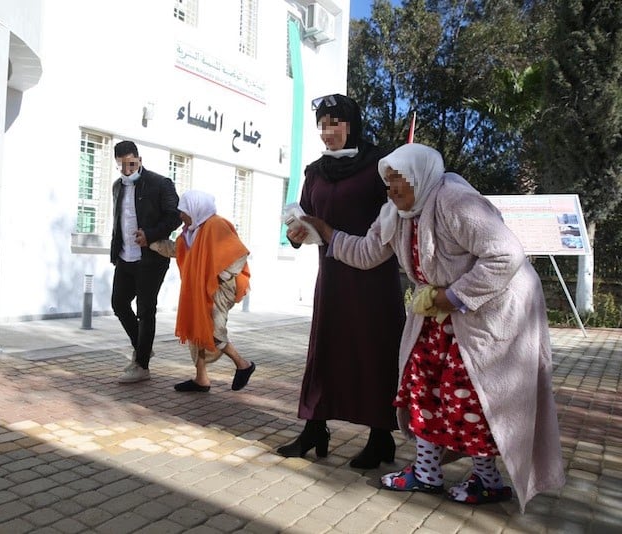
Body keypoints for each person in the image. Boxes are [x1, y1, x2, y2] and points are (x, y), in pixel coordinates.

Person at [300, 142, 565, 511]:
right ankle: (427, 472)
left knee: (468, 392)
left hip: (489, 309)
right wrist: (326, 231)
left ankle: (488, 480)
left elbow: (506, 254)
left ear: (420, 177)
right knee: (420, 382)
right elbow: (367, 252)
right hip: (442, 310)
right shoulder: (396, 214)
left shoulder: (454, 201)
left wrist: (454, 296)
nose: (392, 190)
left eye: (399, 181)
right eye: (388, 182)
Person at [277, 94, 406, 468]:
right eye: (322, 124)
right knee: (325, 350)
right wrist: (295, 234)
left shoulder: (379, 166)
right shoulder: (316, 172)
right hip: (332, 277)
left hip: (373, 278)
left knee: (374, 351)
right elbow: (306, 216)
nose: (326, 131)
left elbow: (397, 214)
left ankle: (381, 437)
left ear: (352, 124)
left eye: (334, 123)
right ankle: (314, 428)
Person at [150, 190, 256, 392]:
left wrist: (218, 275)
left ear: (195, 209)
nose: (181, 215)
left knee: (213, 331)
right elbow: (176, 249)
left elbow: (239, 254)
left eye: (183, 211)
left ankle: (243, 365)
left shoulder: (216, 225)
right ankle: (201, 379)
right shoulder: (190, 232)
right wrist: (150, 242)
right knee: (195, 327)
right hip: (198, 290)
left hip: (219, 289)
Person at [110, 140, 181, 383]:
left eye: (130, 164)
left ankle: (142, 366)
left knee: (145, 310)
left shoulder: (160, 184)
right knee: (119, 303)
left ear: (139, 160)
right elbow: (119, 220)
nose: (126, 170)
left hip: (150, 257)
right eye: (121, 165)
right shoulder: (117, 187)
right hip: (125, 257)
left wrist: (150, 234)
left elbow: (175, 216)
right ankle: (142, 347)